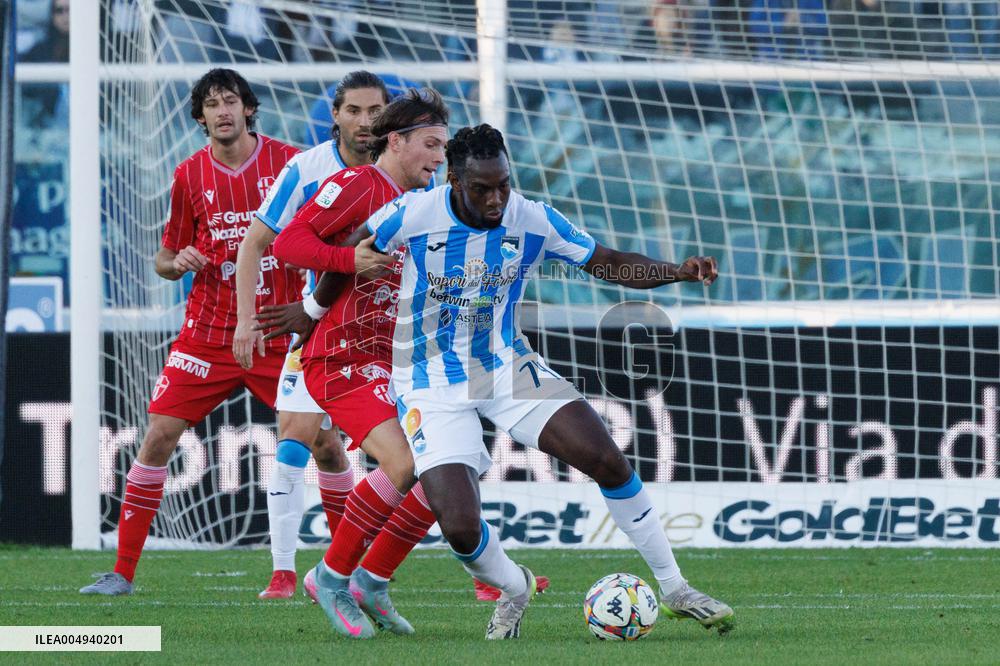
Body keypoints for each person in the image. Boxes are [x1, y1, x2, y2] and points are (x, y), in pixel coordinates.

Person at [349, 124, 735, 639]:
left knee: (606, 458)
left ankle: (675, 589)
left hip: (505, 365)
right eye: (482, 189)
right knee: (459, 527)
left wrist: (676, 272)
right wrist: (311, 312)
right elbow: (348, 251)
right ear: (454, 181)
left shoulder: (531, 217)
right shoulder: (414, 213)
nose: (497, 199)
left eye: (503, 185)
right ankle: (515, 588)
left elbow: (608, 263)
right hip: (429, 380)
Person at [79, 68, 301, 596]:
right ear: (200, 117)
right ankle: (122, 573)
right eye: (211, 104)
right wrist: (177, 261)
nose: (222, 111)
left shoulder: (290, 163)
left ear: (249, 108)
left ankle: (339, 574)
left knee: (327, 446)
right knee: (158, 435)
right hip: (208, 332)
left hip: (276, 328)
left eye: (231, 101)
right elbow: (163, 257)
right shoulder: (188, 175)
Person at [265, 88, 449, 638]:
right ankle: (330, 577)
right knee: (404, 463)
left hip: (396, 359)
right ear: (396, 141)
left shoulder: (421, 198)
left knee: (449, 469)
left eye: (443, 146)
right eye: (431, 144)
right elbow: (289, 244)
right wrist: (347, 259)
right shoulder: (358, 185)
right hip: (342, 356)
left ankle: (373, 580)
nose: (439, 157)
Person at [234, 71, 424, 600]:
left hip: (391, 335)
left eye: (375, 111)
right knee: (296, 437)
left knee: (421, 454)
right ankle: (284, 572)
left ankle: (356, 565)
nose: (364, 121)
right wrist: (247, 318)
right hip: (319, 327)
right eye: (353, 110)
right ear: (335, 115)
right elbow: (259, 242)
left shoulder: (414, 174)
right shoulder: (307, 169)